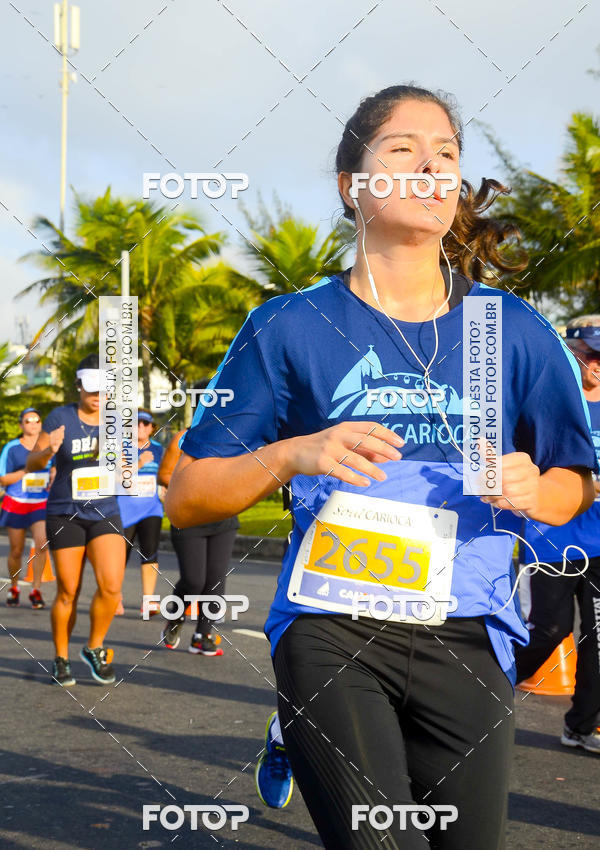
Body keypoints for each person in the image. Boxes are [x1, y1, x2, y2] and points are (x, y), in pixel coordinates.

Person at [165, 84, 598, 850]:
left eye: (447, 154)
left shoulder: (508, 328)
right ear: (351, 185)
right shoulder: (290, 326)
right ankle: (300, 724)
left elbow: (575, 482)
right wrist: (291, 453)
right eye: (403, 149)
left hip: (468, 632)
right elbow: (190, 497)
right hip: (331, 626)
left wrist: (538, 490)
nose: (432, 165)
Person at [516, 316, 600, 753]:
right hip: (550, 540)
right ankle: (480, 693)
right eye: (590, 355)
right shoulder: (548, 399)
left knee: (598, 640)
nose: (596, 364)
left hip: (599, 544)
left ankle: (582, 727)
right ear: (572, 354)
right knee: (549, 630)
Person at [26, 354, 126, 687]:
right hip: (65, 511)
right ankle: (61, 657)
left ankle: (94, 647)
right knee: (69, 590)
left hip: (104, 509)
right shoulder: (60, 417)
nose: (98, 396)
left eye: (104, 389)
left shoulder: (116, 419)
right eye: (92, 389)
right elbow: (32, 463)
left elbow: (123, 465)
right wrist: (48, 451)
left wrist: (125, 465)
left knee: (111, 587)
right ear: (79, 386)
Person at [158, 426, 238, 656]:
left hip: (223, 518)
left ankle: (203, 636)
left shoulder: (233, 436)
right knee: (194, 581)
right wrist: (195, 484)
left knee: (215, 581)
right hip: (188, 517)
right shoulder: (182, 438)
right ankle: (175, 617)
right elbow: (164, 475)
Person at [0, 408, 50, 609]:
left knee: (42, 544)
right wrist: (27, 470)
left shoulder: (48, 446)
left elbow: (57, 468)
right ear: (21, 425)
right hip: (16, 502)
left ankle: (36, 590)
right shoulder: (12, 448)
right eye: (28, 420)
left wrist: (54, 474)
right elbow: (3, 479)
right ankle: (14, 588)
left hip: (41, 502)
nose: (33, 423)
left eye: (37, 420)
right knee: (16, 550)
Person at [116, 409, 164, 616]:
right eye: (136, 423)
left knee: (150, 552)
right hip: (125, 509)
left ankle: (148, 600)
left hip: (151, 508)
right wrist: (140, 463)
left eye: (145, 423)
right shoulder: (121, 448)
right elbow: (118, 478)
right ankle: (114, 596)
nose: (141, 427)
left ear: (152, 428)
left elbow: (165, 476)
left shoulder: (159, 449)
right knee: (120, 555)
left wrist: (165, 489)